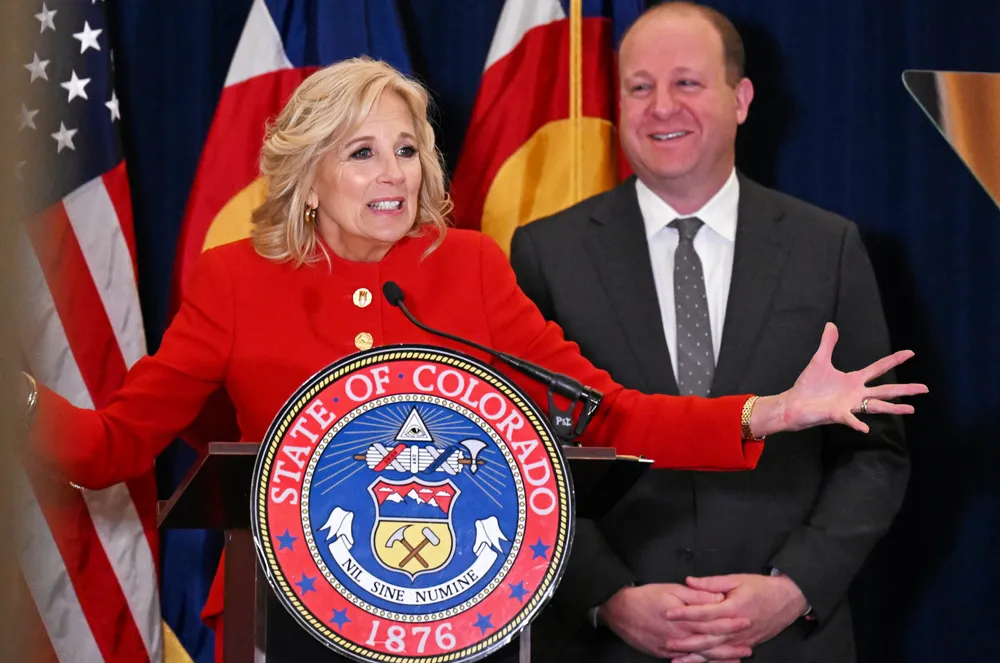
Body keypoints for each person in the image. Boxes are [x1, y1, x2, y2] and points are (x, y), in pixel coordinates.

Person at [20, 57, 924, 662]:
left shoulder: (467, 268)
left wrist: (768, 411)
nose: (394, 174)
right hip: (292, 620)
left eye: (407, 150)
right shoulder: (235, 282)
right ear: (309, 177)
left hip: (465, 619)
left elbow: (603, 410)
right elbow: (113, 445)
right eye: (363, 153)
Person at [509, 3, 911, 663]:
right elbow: (521, 457)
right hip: (607, 645)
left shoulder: (828, 248)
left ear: (741, 99)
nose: (662, 107)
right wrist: (605, 594)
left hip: (788, 643)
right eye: (640, 87)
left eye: (687, 83)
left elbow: (875, 453)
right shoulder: (545, 254)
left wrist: (794, 587)